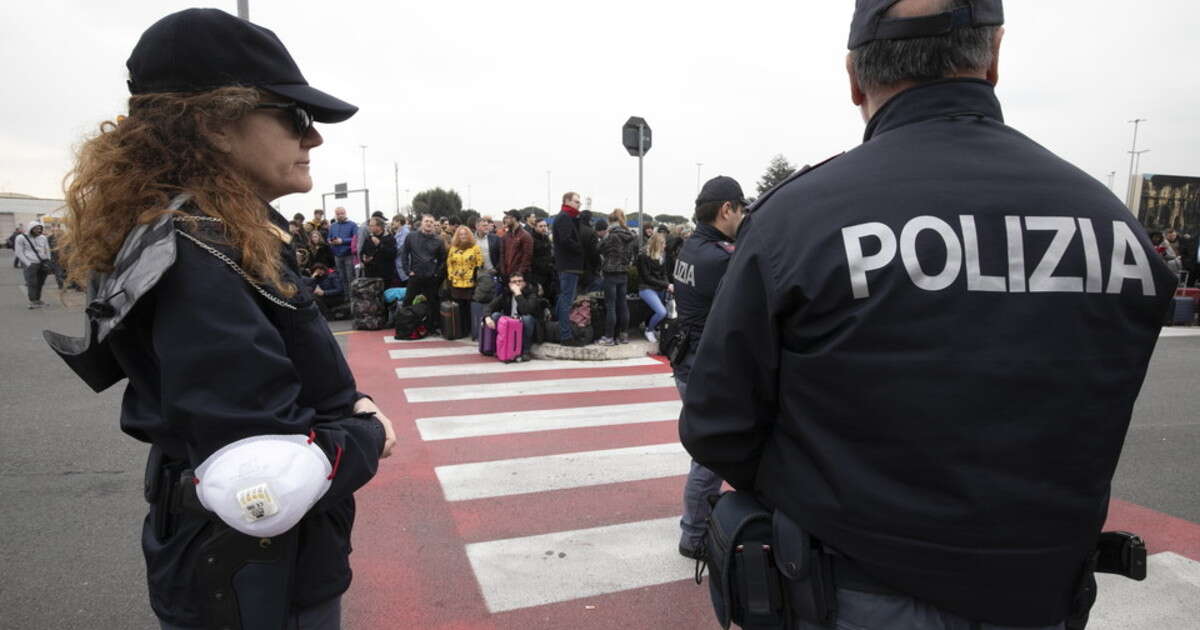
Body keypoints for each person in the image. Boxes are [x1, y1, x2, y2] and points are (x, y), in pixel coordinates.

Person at [679, 1, 1178, 628]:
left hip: (854, 584)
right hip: (1043, 588)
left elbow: (716, 426)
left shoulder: (797, 221)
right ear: (993, 58)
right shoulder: (1115, 225)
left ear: (855, 77)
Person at [45, 8, 397, 629]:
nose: (312, 137)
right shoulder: (195, 253)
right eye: (294, 116)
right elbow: (259, 484)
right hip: (255, 579)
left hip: (246, 570)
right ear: (213, 124)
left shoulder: (204, 233)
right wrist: (369, 431)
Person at [667, 175, 748, 561]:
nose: (744, 217)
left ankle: (704, 519)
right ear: (726, 209)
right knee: (710, 454)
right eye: (741, 209)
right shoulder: (719, 258)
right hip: (705, 363)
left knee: (710, 449)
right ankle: (694, 534)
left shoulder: (691, 247)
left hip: (687, 358)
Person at [597, 210, 638, 345]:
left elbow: (599, 248)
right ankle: (623, 335)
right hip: (624, 273)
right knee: (623, 304)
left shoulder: (611, 236)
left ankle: (609, 337)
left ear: (611, 221)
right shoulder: (631, 235)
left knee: (611, 306)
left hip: (610, 273)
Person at [552, 191, 586, 345]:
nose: (579, 204)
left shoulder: (569, 217)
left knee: (563, 299)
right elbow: (566, 240)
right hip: (568, 265)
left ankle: (560, 330)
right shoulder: (564, 217)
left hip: (568, 265)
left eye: (579, 202)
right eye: (576, 201)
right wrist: (581, 249)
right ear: (567, 201)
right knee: (567, 301)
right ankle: (565, 336)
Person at [484, 272, 540, 362]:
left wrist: (518, 294)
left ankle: (525, 351)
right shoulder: (506, 294)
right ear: (510, 284)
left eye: (520, 281)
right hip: (510, 324)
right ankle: (495, 348)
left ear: (524, 283)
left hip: (524, 324)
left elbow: (526, 310)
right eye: (514, 282)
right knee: (495, 316)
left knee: (527, 318)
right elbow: (489, 306)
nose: (517, 284)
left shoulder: (531, 294)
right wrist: (487, 317)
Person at [400, 214, 448, 316]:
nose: (429, 223)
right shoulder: (411, 236)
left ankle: (432, 327)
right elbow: (404, 254)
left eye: (431, 222)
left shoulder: (438, 240)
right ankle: (403, 325)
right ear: (422, 223)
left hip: (430, 277)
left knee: (433, 303)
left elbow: (443, 260)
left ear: (434, 224)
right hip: (415, 275)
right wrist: (407, 271)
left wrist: (436, 274)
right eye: (426, 221)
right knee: (407, 301)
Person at [636, 232, 672, 343]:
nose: (665, 246)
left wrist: (667, 285)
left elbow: (664, 273)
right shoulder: (643, 256)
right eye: (663, 244)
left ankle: (653, 327)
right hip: (646, 288)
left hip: (659, 288)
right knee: (662, 312)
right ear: (657, 244)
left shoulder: (662, 255)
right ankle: (649, 330)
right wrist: (666, 285)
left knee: (657, 311)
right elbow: (647, 278)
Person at [446, 225, 483, 326]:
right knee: (459, 307)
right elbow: (449, 263)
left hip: (470, 282)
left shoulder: (475, 248)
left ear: (469, 235)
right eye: (461, 234)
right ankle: (460, 328)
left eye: (465, 234)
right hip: (456, 282)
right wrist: (451, 276)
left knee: (469, 307)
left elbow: (479, 263)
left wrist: (474, 274)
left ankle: (470, 327)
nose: (463, 236)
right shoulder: (453, 248)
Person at [15, 222, 52, 308]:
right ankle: (32, 301)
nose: (39, 230)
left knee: (40, 283)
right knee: (32, 283)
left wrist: (48, 261)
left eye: (40, 228)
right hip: (30, 264)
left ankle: (38, 300)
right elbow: (18, 252)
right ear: (30, 228)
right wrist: (28, 263)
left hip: (43, 263)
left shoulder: (43, 237)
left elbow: (47, 249)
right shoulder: (21, 238)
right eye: (36, 228)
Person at [359, 216, 398, 286]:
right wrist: (364, 258)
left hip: (384, 275)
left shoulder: (389, 238)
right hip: (370, 275)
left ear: (379, 227)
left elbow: (393, 254)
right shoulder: (369, 238)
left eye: (371, 226)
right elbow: (362, 252)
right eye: (369, 225)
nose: (369, 228)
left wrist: (379, 244)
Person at [500, 209, 532, 286]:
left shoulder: (525, 236)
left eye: (508, 217)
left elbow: (527, 257)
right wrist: (503, 272)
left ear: (514, 219)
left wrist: (519, 274)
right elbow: (502, 255)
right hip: (507, 275)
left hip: (519, 277)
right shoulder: (505, 236)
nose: (506, 220)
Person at [328, 206, 356, 287]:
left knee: (350, 278)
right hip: (337, 256)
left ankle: (352, 298)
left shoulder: (352, 225)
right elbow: (329, 237)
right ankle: (346, 297)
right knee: (341, 278)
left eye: (342, 213)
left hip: (349, 255)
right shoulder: (333, 226)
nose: (340, 215)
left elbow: (355, 239)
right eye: (338, 214)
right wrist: (330, 240)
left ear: (345, 213)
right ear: (335, 215)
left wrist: (342, 241)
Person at [530, 216, 556, 301]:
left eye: (545, 226)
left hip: (547, 272)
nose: (544, 228)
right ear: (535, 227)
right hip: (536, 273)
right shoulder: (531, 239)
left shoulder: (546, 238)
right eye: (541, 226)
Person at [579, 211, 603, 294]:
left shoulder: (572, 229)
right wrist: (597, 267)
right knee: (591, 296)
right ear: (589, 219)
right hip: (588, 268)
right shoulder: (591, 232)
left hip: (572, 268)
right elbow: (594, 252)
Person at [392, 215, 410, 285]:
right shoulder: (399, 232)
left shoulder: (405, 232)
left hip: (402, 264)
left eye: (393, 222)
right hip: (399, 264)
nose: (392, 224)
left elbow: (401, 247)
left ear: (399, 222)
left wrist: (392, 252)